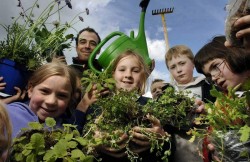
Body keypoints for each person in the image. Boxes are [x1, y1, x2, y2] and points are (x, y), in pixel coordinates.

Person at [194, 35, 250, 162]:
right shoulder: (221, 103)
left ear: (234, 53)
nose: (213, 78)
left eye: (215, 66)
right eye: (209, 75)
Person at [5, 61, 82, 138]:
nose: (51, 101)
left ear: (70, 100)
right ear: (30, 89)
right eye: (45, 91)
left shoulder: (66, 134)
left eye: (62, 95)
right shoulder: (7, 116)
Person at [165, 45, 215, 162]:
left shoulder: (208, 87)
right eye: (173, 67)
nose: (178, 70)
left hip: (205, 151)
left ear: (193, 63)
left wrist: (207, 110)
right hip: (179, 153)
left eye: (182, 63)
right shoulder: (167, 93)